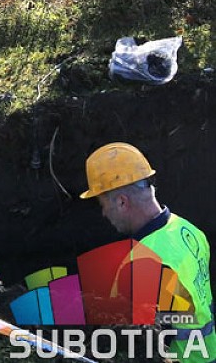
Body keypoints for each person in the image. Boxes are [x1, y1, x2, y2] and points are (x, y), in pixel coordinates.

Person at [81, 143, 215, 362]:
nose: (104, 213)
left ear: (122, 202)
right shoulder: (188, 230)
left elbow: (147, 347)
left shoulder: (144, 261)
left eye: (102, 204)